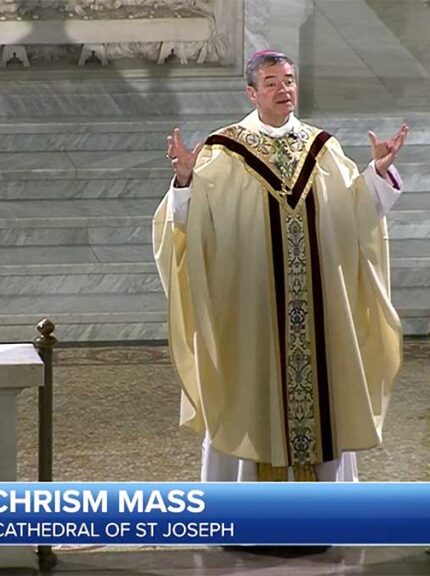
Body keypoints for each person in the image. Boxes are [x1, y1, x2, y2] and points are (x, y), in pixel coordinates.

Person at [153, 50, 407, 483]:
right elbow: (189, 225)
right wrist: (185, 180)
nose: (283, 89)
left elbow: (353, 214)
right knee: (251, 395)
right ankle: (248, 516)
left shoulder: (322, 149)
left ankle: (321, 513)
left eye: (288, 80)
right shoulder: (223, 151)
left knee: (321, 398)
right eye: (271, 82)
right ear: (252, 93)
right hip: (253, 312)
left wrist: (378, 173)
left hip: (318, 312)